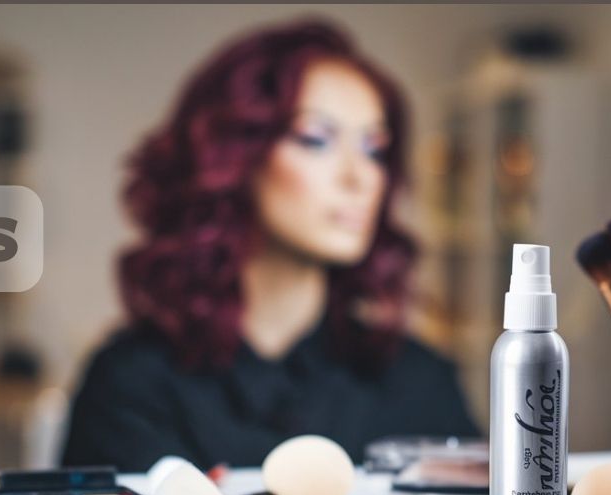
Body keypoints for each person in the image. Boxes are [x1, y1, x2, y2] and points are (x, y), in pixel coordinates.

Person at [61, 19, 479, 471]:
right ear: (235, 156)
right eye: (316, 140)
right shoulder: (132, 384)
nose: (359, 177)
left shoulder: (418, 382)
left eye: (374, 149)